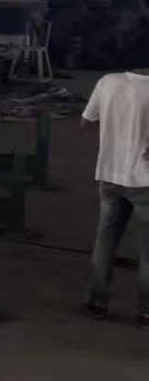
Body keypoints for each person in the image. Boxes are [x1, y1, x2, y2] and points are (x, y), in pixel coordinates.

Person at [83, 68, 149, 326]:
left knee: (105, 238)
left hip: (109, 175)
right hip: (144, 181)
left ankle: (97, 301)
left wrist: (115, 127)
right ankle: (145, 312)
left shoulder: (107, 82)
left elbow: (86, 122)